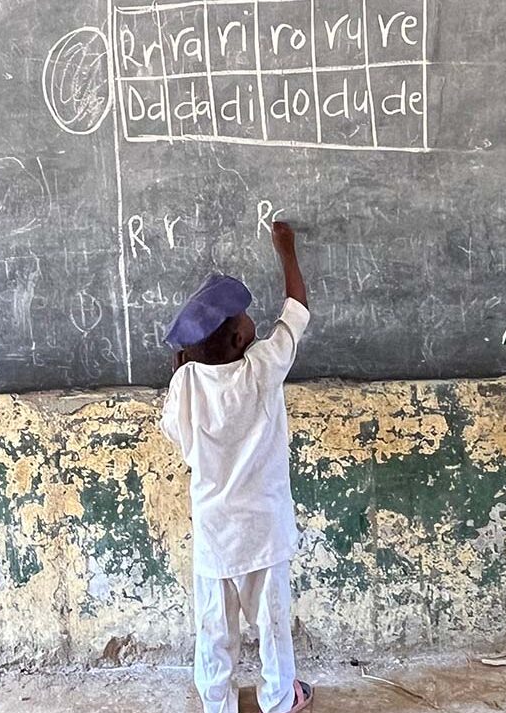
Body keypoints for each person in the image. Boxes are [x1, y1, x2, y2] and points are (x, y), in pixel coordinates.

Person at [160, 222, 314, 713]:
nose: (253, 322)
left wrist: (187, 365)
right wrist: (285, 249)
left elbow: (175, 432)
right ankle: (277, 698)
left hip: (215, 533)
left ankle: (217, 702)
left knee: (214, 629)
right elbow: (296, 311)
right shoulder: (261, 368)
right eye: (244, 320)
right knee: (271, 627)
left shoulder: (185, 385)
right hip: (263, 531)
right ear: (234, 342)